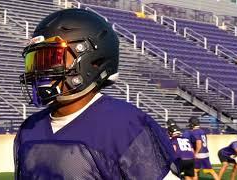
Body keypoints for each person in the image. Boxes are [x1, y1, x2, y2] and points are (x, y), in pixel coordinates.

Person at [14, 8, 179, 180]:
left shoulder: (124, 124)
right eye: (35, 61)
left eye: (51, 59)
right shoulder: (29, 129)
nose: (41, 70)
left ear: (94, 61)